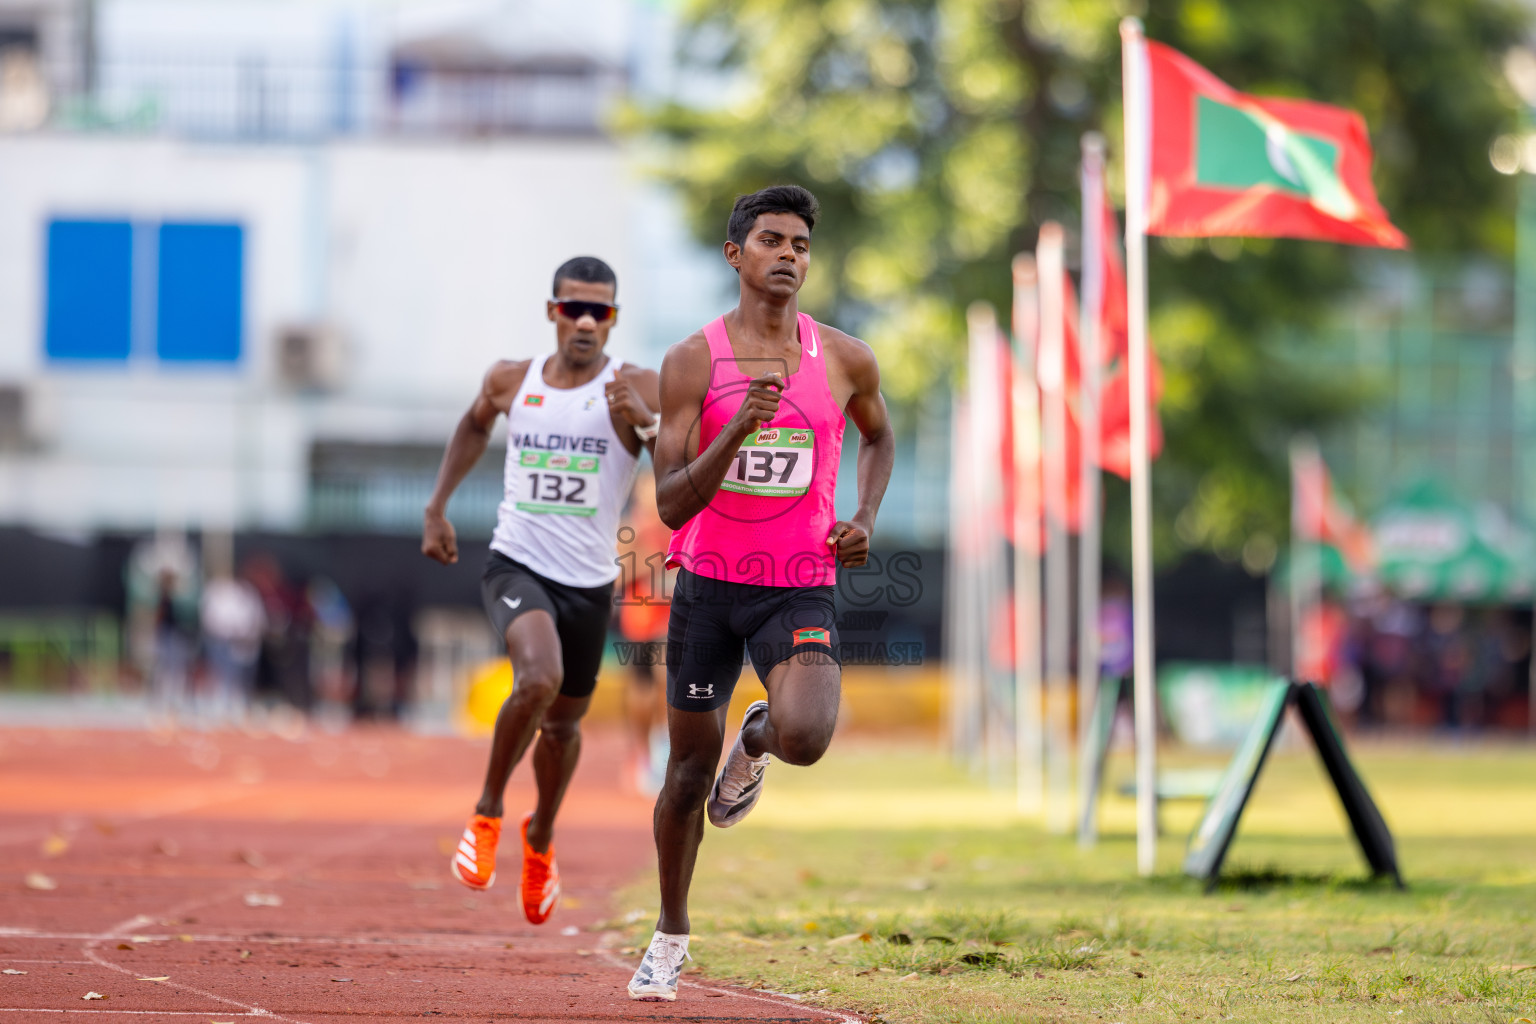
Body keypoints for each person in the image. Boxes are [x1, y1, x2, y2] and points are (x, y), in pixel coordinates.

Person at [628, 186, 894, 1001]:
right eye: (771, 240)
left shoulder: (845, 358)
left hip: (799, 586)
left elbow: (879, 436)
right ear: (735, 254)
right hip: (708, 589)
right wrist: (738, 428)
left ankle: (756, 739)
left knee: (805, 736)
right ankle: (670, 936)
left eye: (800, 245)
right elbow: (672, 502)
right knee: (685, 775)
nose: (788, 255)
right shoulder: (691, 362)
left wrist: (864, 515)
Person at [422, 256, 659, 926]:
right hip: (517, 564)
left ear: (613, 319)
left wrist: (646, 424)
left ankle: (542, 836)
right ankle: (488, 811)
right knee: (537, 678)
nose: (585, 322)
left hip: (590, 582)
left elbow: (678, 464)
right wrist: (437, 507)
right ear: (552, 311)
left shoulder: (635, 385)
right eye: (572, 309)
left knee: (563, 726)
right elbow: (474, 423)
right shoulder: (511, 379)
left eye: (599, 312)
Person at [615, 469, 673, 795]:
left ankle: (664, 747)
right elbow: (615, 578)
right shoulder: (631, 529)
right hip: (640, 619)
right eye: (645, 489)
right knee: (641, 690)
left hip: (671, 620)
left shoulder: (680, 526)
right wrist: (642, 564)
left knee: (667, 678)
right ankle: (642, 751)